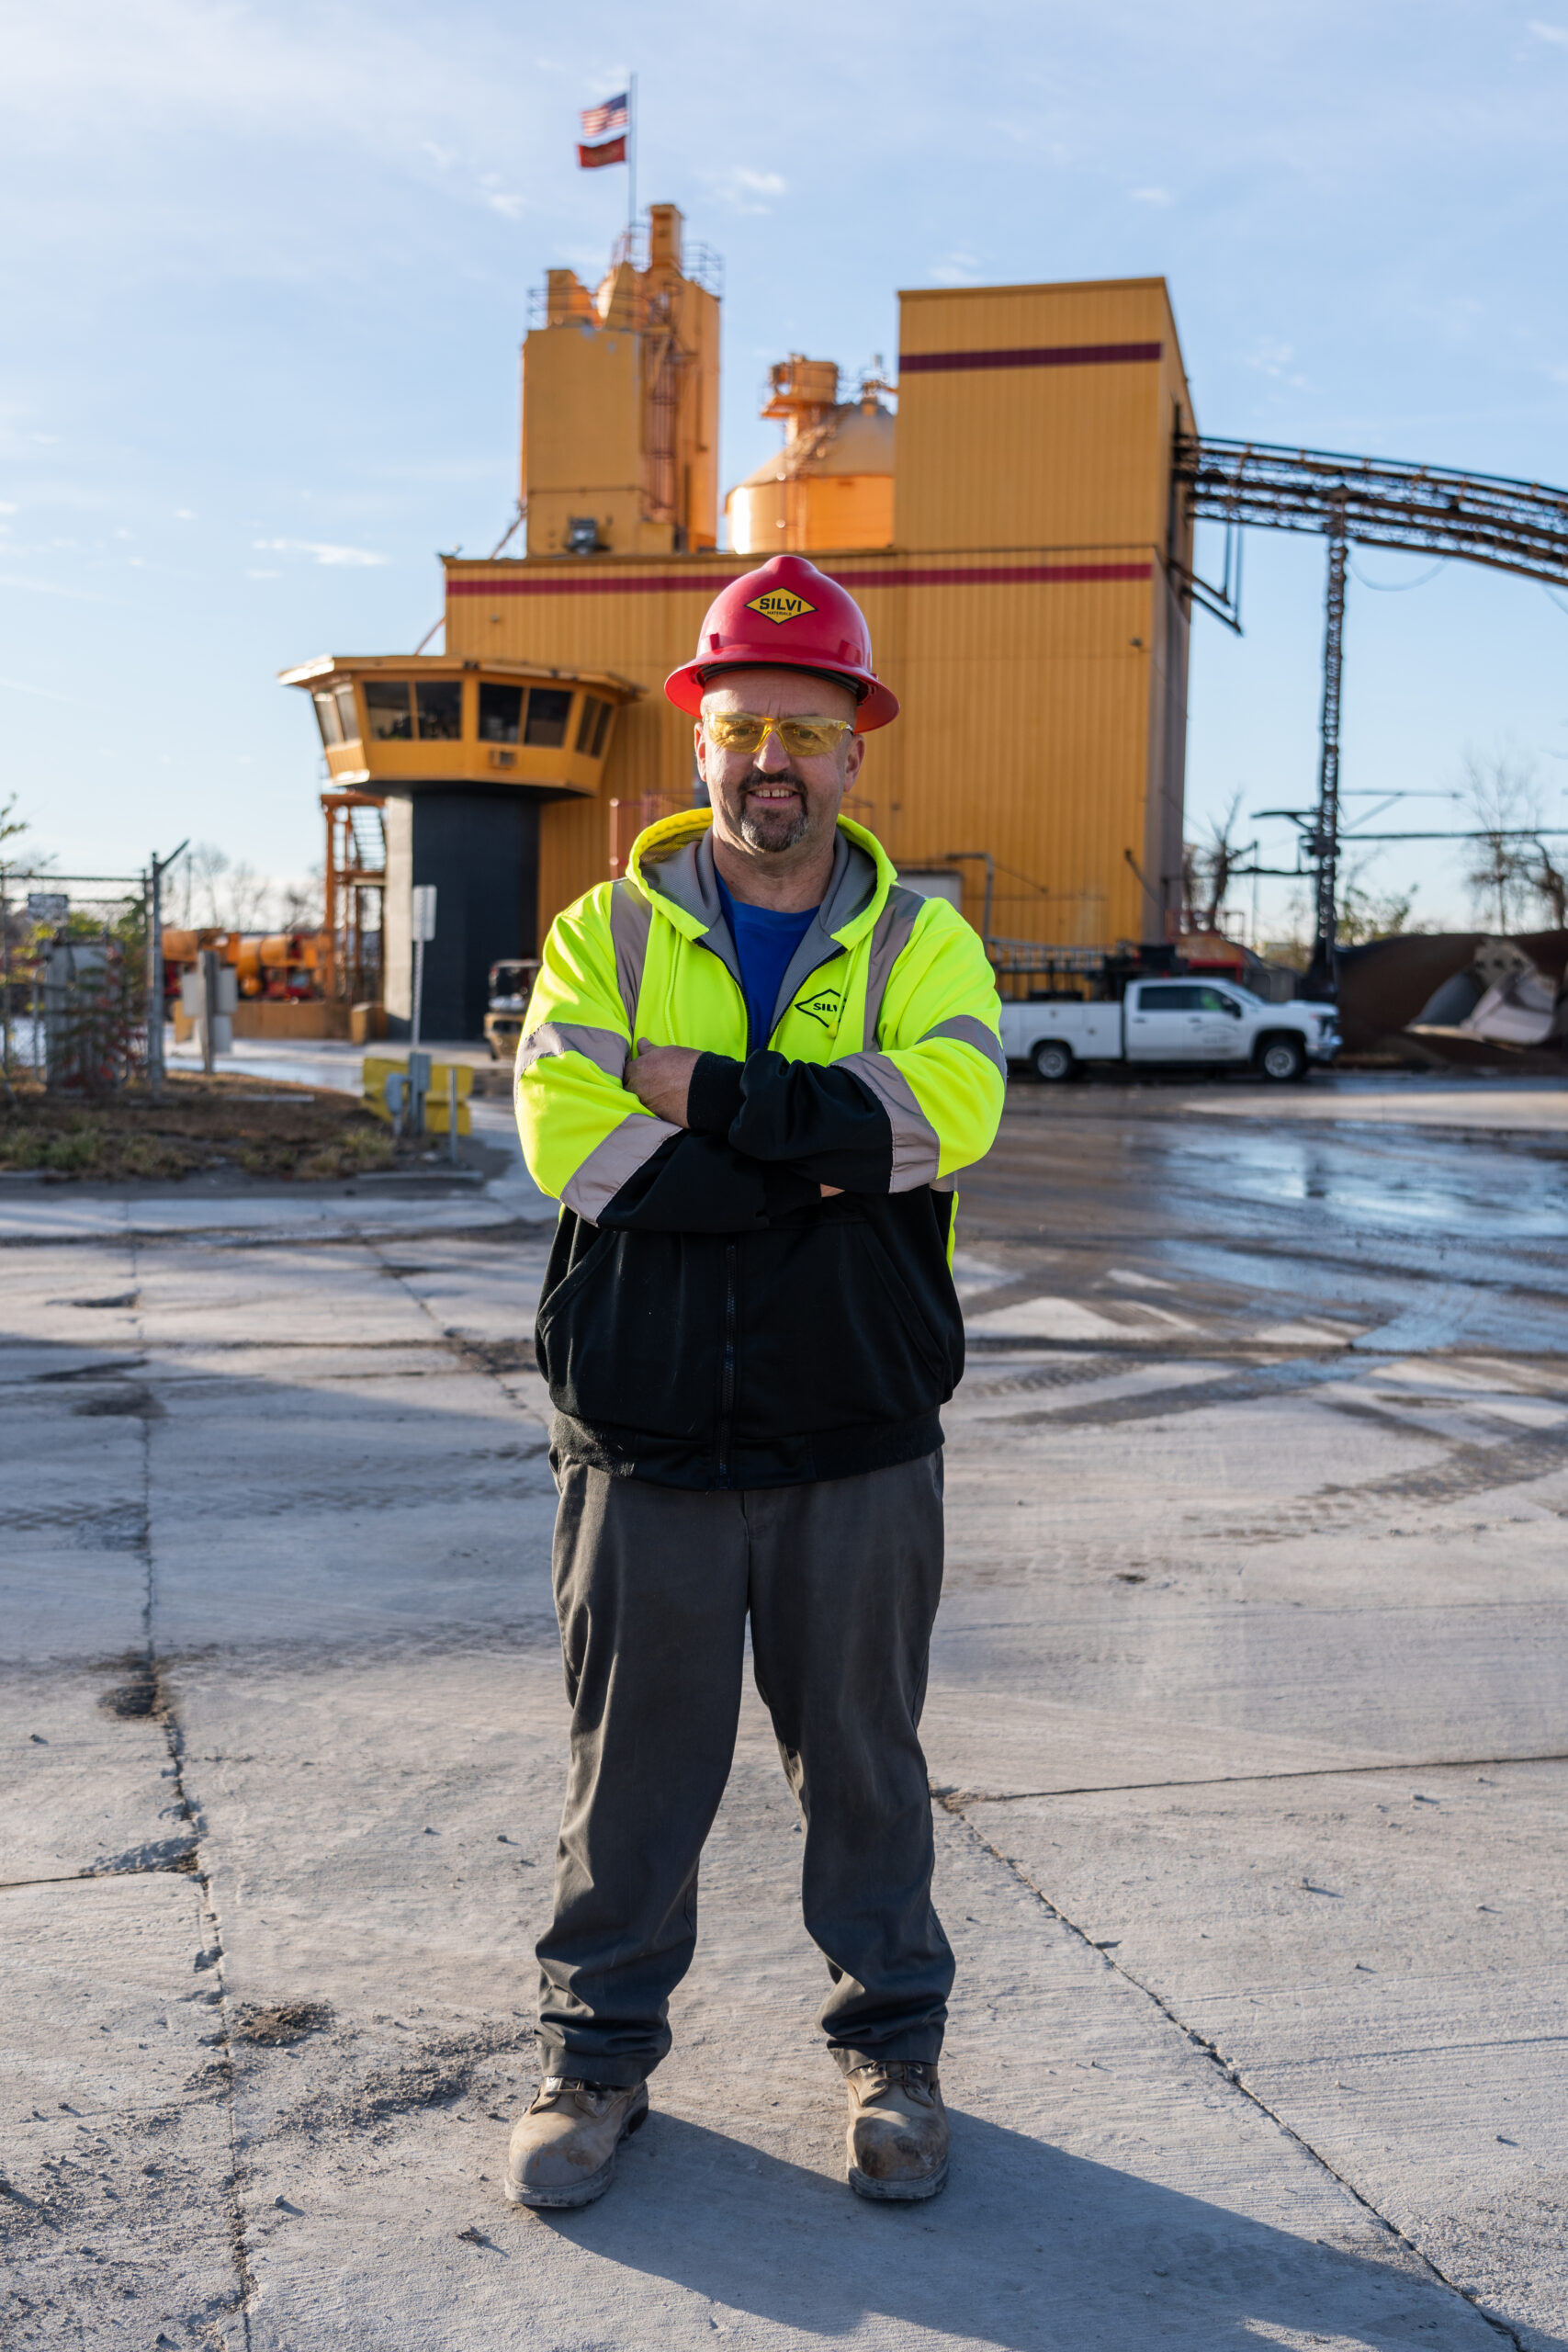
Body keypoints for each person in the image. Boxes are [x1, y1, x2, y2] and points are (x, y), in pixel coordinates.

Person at [506, 554, 1006, 2211]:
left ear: (858, 752)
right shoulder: (602, 933)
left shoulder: (929, 947)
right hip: (642, 1440)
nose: (774, 760)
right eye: (745, 727)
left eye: (808, 727)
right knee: (632, 1768)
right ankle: (595, 2064)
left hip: (856, 1440)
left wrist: (693, 1087)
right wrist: (808, 1154)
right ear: (696, 746)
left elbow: (936, 1124)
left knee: (865, 1757)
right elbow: (596, 1161)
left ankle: (896, 2055)